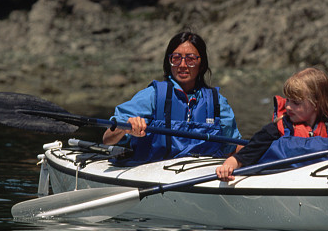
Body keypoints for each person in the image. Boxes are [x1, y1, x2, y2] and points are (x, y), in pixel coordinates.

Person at [216, 67, 328, 181]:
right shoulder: (273, 131)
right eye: (288, 101)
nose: (289, 107)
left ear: (317, 103)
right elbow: (241, 158)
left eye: (297, 103)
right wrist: (227, 167)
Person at [102, 31, 242, 165]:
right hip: (153, 175)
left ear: (201, 64)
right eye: (176, 58)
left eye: (190, 59)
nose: (182, 65)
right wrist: (125, 128)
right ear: (169, 62)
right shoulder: (153, 96)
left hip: (201, 175)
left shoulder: (218, 103)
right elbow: (107, 139)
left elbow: (234, 147)